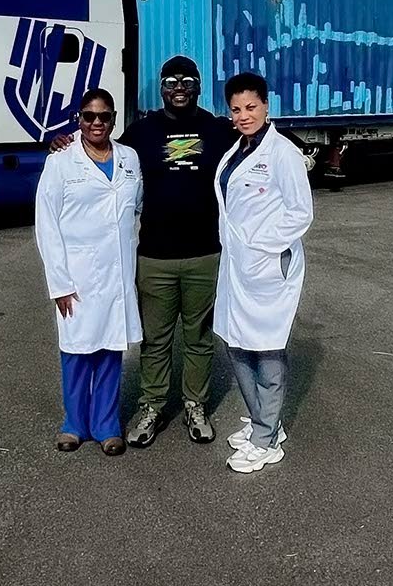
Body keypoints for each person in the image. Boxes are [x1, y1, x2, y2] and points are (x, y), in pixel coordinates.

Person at [51, 56, 238, 448]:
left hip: (205, 254)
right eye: (170, 81)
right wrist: (65, 142)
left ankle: (195, 405)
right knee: (155, 340)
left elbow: (256, 148)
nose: (179, 87)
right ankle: (152, 406)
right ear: (162, 88)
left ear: (199, 85)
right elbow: (100, 146)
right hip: (154, 257)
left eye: (187, 80)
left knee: (199, 338)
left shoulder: (219, 130)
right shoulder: (140, 133)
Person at [214, 72, 313, 474]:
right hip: (238, 267)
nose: (244, 115)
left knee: (267, 350)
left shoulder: (283, 153)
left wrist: (259, 243)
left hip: (268, 266)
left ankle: (266, 439)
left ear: (266, 106)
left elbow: (301, 213)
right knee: (236, 343)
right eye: (236, 109)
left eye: (251, 107)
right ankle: (263, 421)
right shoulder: (237, 148)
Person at [35, 88, 143, 456]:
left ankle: (106, 425)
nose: (97, 123)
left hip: (117, 272)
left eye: (104, 116)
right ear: (78, 120)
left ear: (114, 120)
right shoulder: (61, 161)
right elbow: (46, 224)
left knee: (111, 349)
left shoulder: (129, 158)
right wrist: (59, 283)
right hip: (77, 274)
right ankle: (74, 424)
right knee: (77, 349)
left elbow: (136, 206)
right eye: (89, 116)